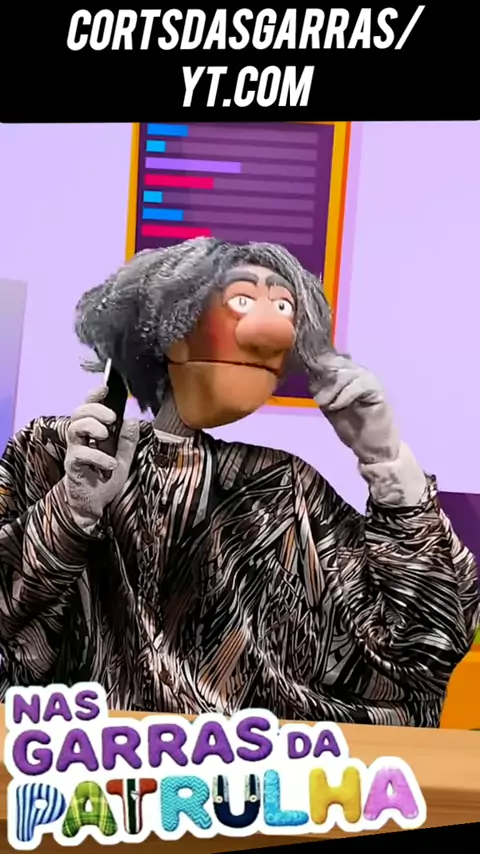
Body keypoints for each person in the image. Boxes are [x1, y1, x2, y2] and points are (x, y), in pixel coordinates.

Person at [0, 238, 478, 725]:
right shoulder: (56, 452)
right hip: (89, 755)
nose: (270, 329)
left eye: (283, 305)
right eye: (243, 299)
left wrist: (388, 462)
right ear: (171, 329)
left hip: (257, 763)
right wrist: (70, 511)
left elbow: (430, 641)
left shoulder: (287, 487)